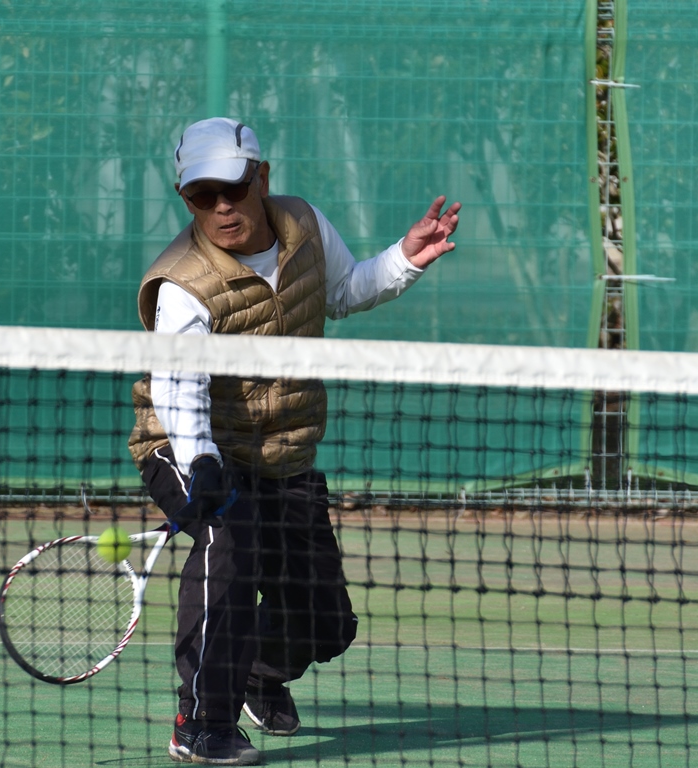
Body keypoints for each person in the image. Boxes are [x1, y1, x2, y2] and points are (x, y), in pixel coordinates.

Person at [128, 117, 460, 766]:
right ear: (186, 197)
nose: (221, 207)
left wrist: (404, 258)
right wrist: (201, 463)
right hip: (185, 440)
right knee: (229, 542)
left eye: (233, 189)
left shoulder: (303, 224)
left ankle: (258, 671)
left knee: (324, 624)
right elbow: (178, 387)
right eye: (202, 196)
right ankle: (201, 721)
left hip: (282, 449)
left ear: (262, 178)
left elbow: (343, 290)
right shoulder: (181, 284)